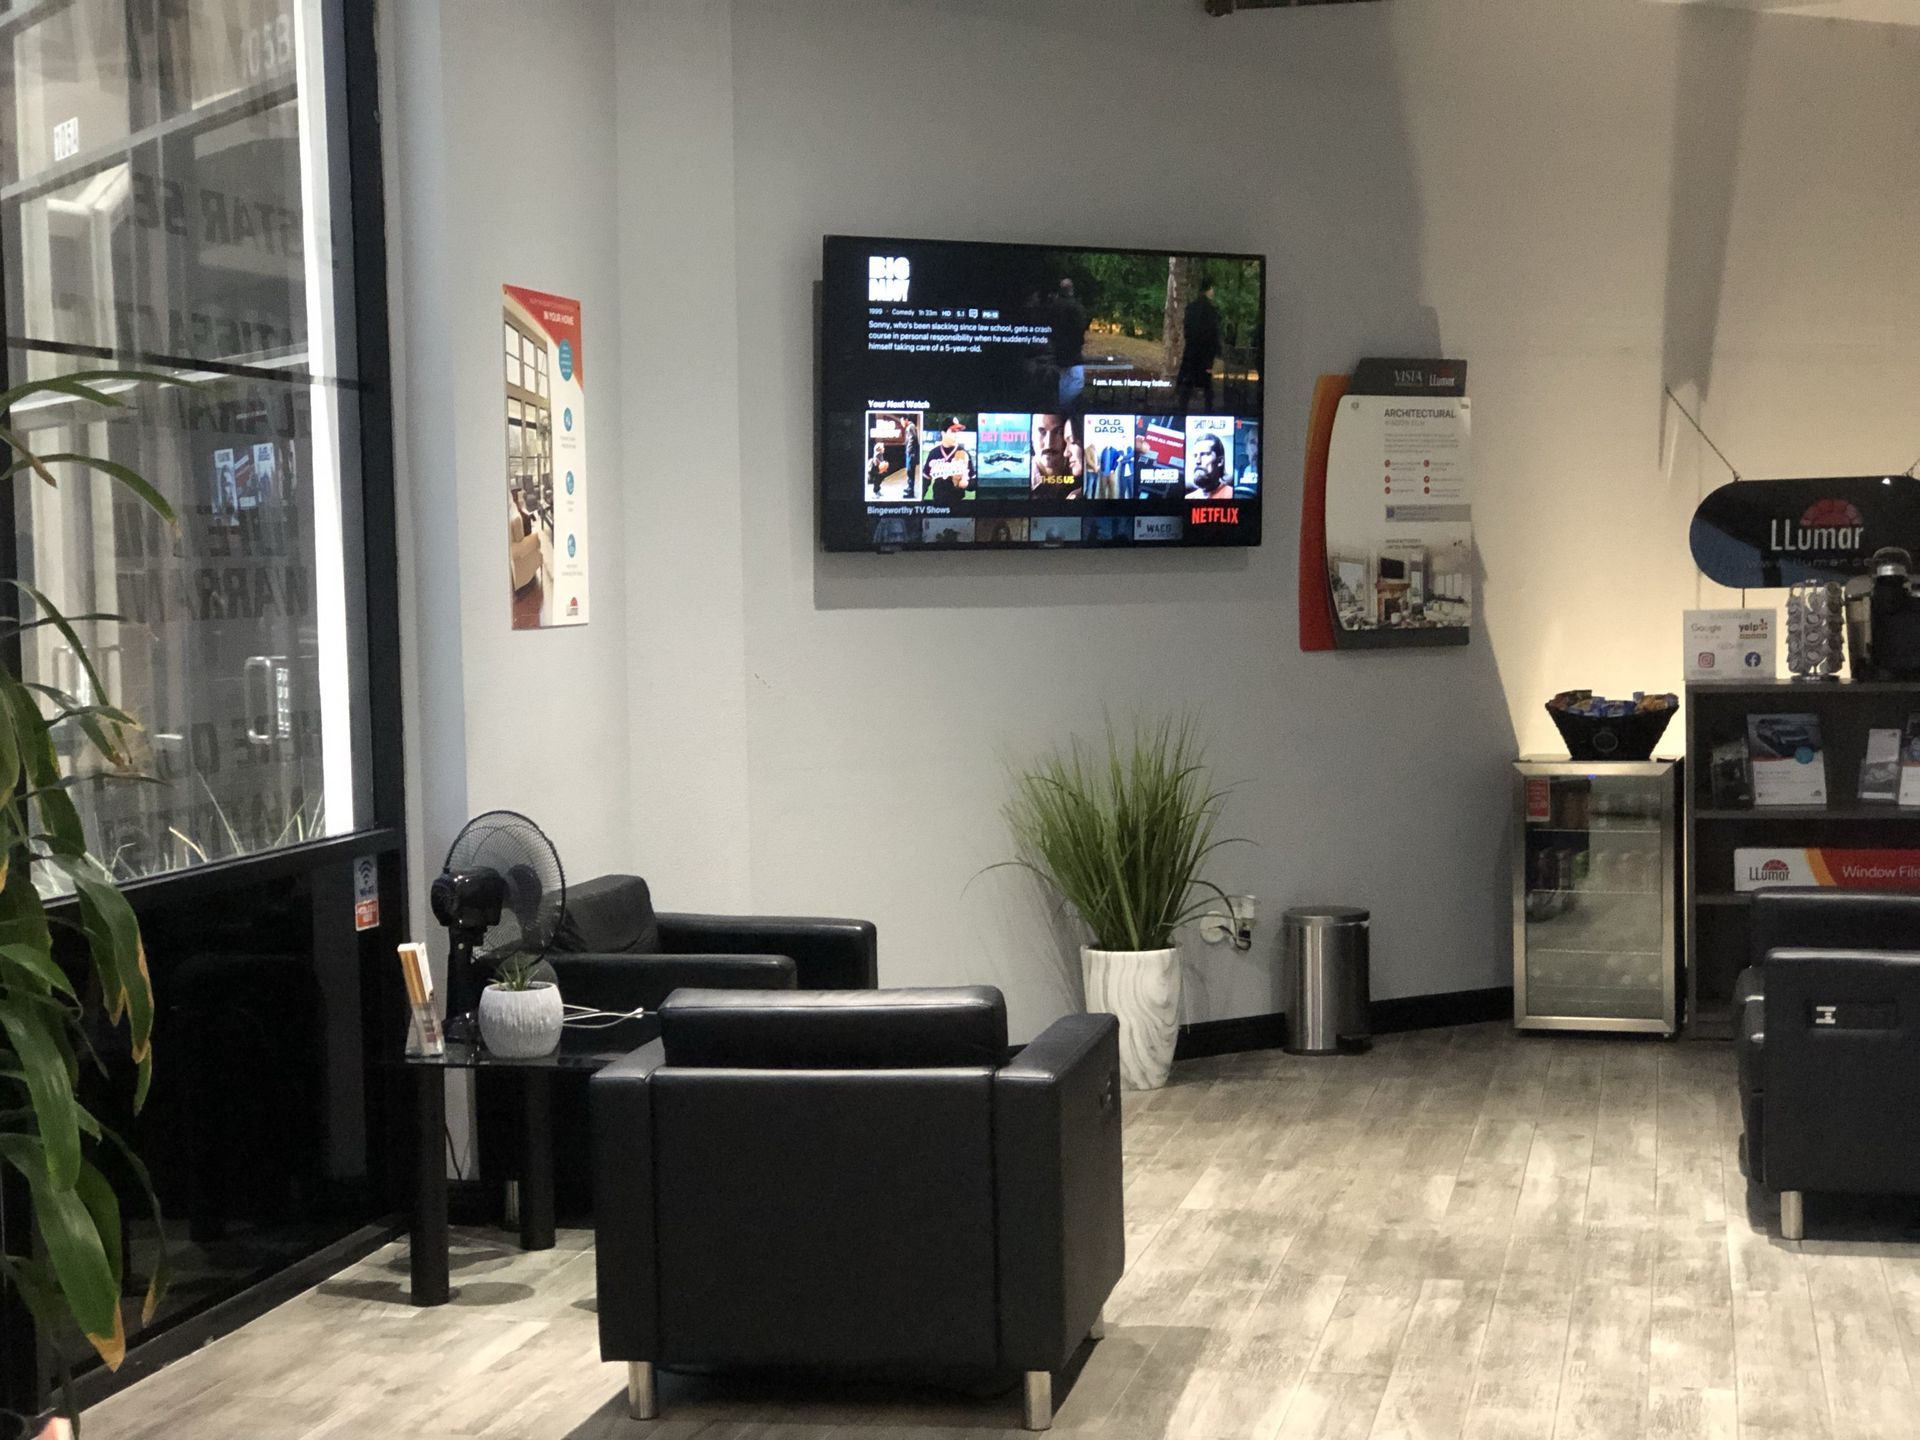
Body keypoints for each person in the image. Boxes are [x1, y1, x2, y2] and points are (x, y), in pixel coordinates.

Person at [1175, 279, 1222, 413]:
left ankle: (1182, 410)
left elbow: (1187, 330)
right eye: (1212, 289)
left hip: (1191, 351)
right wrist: (1215, 352)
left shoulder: (1191, 307)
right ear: (1208, 290)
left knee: (1188, 382)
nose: (1213, 292)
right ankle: (1208, 410)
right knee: (1207, 384)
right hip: (1205, 354)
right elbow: (1213, 333)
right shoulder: (1211, 310)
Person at [1048, 278, 1088, 411]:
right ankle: (1060, 406)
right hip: (1072, 351)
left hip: (1056, 349)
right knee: (1077, 381)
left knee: (1063, 380)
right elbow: (1080, 326)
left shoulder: (1053, 306)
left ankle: (1058, 405)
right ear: (1071, 290)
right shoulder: (1075, 306)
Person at [1030, 413, 1084, 501]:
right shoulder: (1017, 480)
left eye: (1058, 432)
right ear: (1032, 437)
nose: (1049, 443)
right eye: (1042, 432)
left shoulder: (1081, 474)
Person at [921, 418, 976, 505]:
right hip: (937, 506)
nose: (956, 435)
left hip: (959, 505)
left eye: (958, 432)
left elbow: (974, 482)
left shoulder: (964, 453)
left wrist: (967, 484)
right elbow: (925, 481)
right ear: (943, 433)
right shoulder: (934, 453)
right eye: (953, 431)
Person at [1185, 434, 1232, 500]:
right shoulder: (1188, 498)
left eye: (1204, 454)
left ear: (1220, 461)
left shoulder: (1232, 495)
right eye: (1195, 455)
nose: (1197, 461)